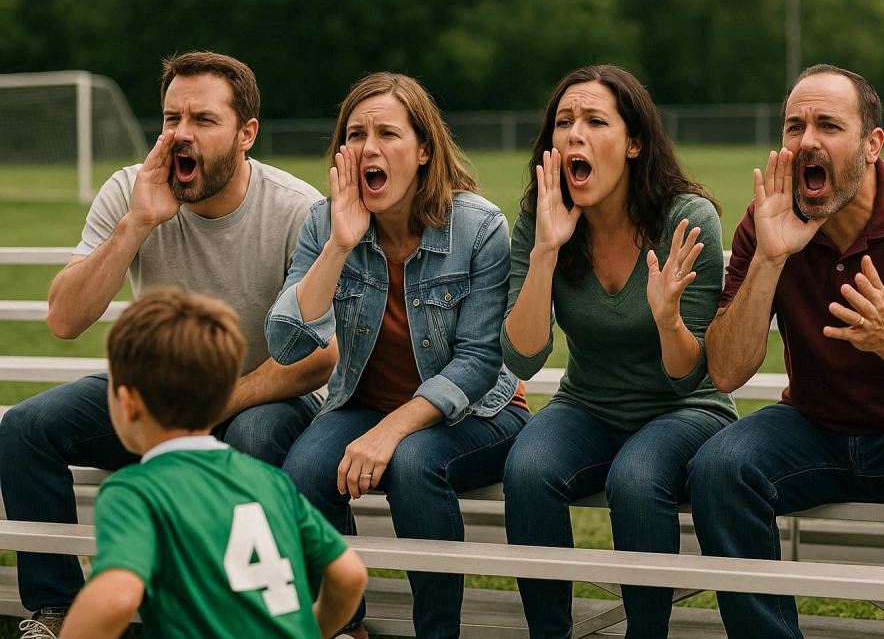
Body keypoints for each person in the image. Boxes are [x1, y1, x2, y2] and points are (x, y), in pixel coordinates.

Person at [0, 51, 336, 635]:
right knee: (25, 428)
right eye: (171, 118)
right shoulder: (133, 191)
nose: (181, 134)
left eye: (203, 120)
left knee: (255, 438)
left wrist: (211, 406)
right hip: (158, 394)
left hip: (264, 393)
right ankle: (55, 608)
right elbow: (64, 320)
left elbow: (320, 356)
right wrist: (136, 224)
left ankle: (241, 616)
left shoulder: (297, 210)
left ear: (246, 133)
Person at [688, 64, 884, 638]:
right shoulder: (766, 224)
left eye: (828, 125)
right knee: (719, 467)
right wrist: (768, 257)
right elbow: (727, 371)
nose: (806, 140)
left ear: (871, 144)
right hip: (819, 428)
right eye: (794, 126)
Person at [266, 71, 530, 639]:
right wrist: (339, 244)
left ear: (424, 150)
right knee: (302, 475)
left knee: (413, 464)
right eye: (356, 134)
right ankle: (344, 627)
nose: (369, 148)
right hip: (364, 406)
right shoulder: (324, 223)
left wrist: (392, 430)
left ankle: (437, 632)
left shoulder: (478, 226)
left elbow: (479, 361)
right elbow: (287, 344)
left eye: (388, 133)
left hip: (480, 411)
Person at [500, 65, 737, 638]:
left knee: (634, 478)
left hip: (685, 409)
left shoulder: (686, 219)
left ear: (633, 143)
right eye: (563, 122)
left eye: (594, 121)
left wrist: (667, 318)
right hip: (590, 406)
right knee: (527, 468)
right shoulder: (543, 217)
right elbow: (524, 358)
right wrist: (545, 253)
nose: (573, 134)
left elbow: (689, 376)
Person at [47, 288, 367, 639]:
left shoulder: (135, 492)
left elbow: (115, 599)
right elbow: (349, 574)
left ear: (127, 401)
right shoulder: (268, 480)